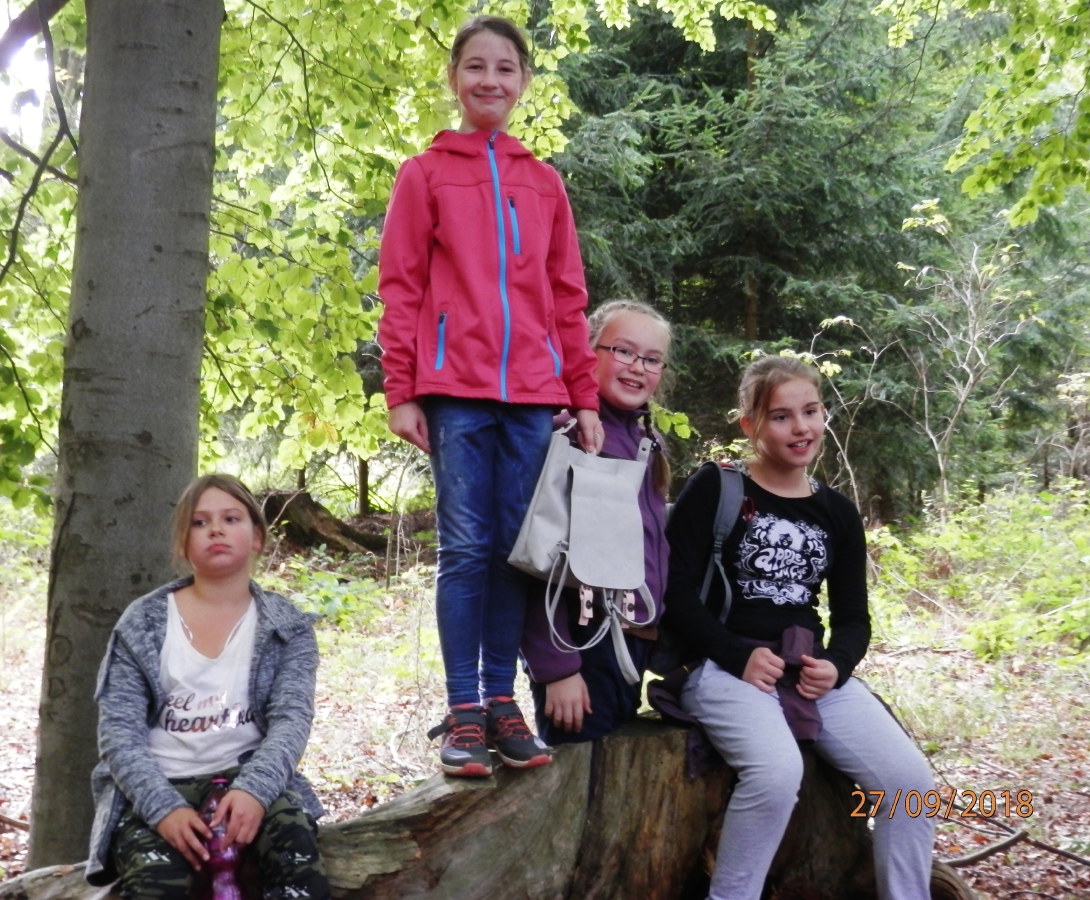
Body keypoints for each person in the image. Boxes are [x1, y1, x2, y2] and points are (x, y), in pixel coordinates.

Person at [377, 15, 602, 776]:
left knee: (515, 551)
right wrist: (401, 390)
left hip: (534, 396)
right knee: (466, 547)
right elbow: (402, 288)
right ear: (454, 78)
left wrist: (584, 396)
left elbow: (567, 295)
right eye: (475, 66)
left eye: (505, 68)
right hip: (456, 392)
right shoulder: (425, 174)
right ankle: (463, 710)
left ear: (524, 82)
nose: (490, 80)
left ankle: (504, 703)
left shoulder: (544, 183)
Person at [663, 356, 935, 900]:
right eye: (781, 416)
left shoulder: (837, 512)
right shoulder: (716, 488)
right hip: (722, 667)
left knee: (910, 784)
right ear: (751, 424)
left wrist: (836, 664)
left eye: (810, 411)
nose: (800, 427)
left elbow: (853, 618)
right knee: (776, 773)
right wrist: (736, 654)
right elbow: (675, 594)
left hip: (807, 670)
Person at [86, 474, 331, 900]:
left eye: (231, 519)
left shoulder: (287, 627)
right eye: (199, 523)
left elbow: (291, 720)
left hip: (249, 776)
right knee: (156, 881)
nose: (215, 529)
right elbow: (118, 733)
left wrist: (255, 791)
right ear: (183, 544)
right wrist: (163, 809)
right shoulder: (142, 623)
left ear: (257, 537)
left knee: (297, 861)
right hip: (159, 782)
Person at [520, 299, 671, 743]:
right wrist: (556, 668)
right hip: (580, 646)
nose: (637, 367)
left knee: (614, 772)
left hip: (634, 643)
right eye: (623, 351)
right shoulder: (566, 435)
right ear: (589, 353)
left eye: (652, 359)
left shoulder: (648, 441)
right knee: (580, 775)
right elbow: (535, 559)